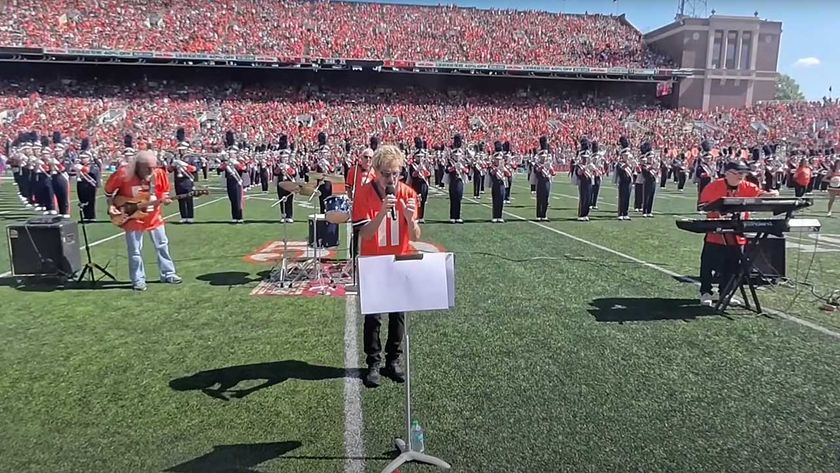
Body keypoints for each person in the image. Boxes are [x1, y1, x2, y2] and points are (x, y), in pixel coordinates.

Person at [351, 145, 421, 388]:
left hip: (399, 260)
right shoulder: (363, 193)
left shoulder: (408, 193)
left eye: (396, 173)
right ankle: (373, 362)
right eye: (386, 174)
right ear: (376, 172)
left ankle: (393, 360)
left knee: (398, 314)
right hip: (374, 261)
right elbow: (365, 233)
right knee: (374, 316)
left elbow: (415, 235)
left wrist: (410, 219)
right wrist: (382, 212)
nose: (391, 179)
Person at [697, 161, 778, 306]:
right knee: (708, 263)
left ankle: (726, 292)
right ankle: (706, 292)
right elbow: (703, 206)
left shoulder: (747, 186)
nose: (742, 176)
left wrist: (773, 194)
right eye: (738, 173)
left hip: (738, 234)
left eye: (744, 173)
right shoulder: (714, 186)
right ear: (727, 173)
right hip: (716, 234)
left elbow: (762, 194)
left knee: (734, 265)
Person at [105, 150, 182, 291]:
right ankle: (138, 279)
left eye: (153, 167)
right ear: (137, 166)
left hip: (154, 217)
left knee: (162, 245)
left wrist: (165, 199)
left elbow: (163, 192)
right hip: (133, 217)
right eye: (147, 168)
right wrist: (111, 206)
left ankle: (168, 273)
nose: (151, 171)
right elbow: (108, 192)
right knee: (135, 250)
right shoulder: (123, 174)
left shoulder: (159, 173)